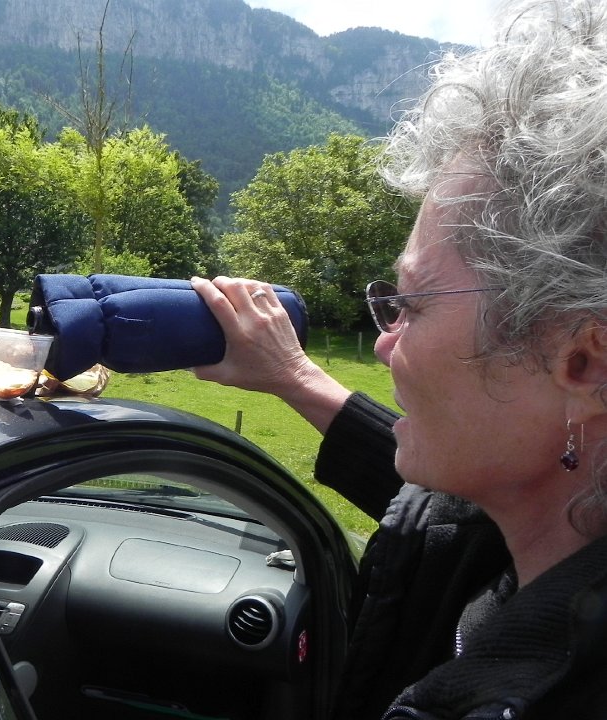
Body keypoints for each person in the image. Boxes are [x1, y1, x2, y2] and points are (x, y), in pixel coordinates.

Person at [191, 1, 607, 718]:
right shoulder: (538, 527)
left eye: (411, 304)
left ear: (583, 364)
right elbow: (436, 513)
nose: (384, 341)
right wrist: (294, 377)